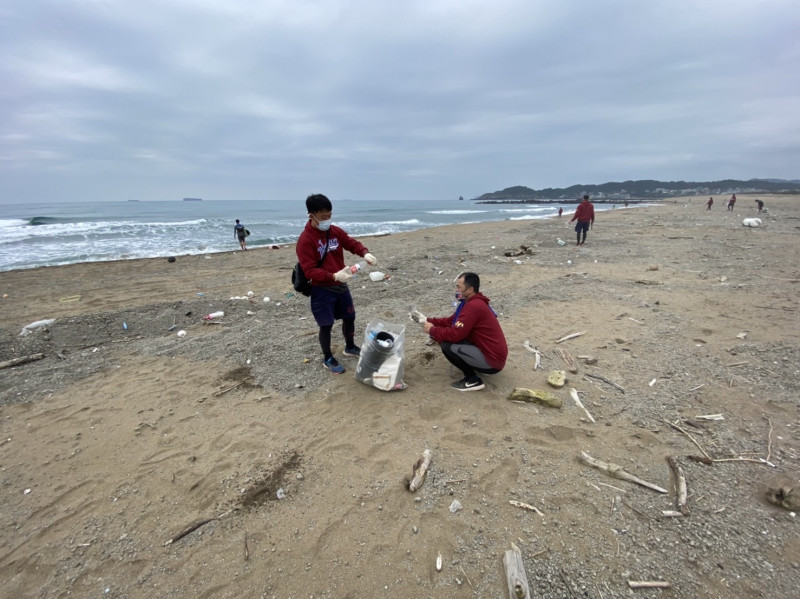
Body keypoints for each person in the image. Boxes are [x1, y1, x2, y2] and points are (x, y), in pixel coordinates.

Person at [296, 194, 377, 374]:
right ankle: (328, 357)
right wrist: (333, 276)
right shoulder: (305, 240)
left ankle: (349, 346)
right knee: (326, 324)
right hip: (321, 289)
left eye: (329, 215)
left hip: (341, 284)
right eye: (323, 217)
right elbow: (309, 270)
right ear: (312, 215)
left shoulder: (334, 231)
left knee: (350, 316)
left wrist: (364, 253)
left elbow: (350, 243)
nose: (327, 220)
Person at [422, 272, 508, 392]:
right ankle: (476, 367)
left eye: (459, 287)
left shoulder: (474, 306)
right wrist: (427, 320)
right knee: (448, 337)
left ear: (470, 290)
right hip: (491, 354)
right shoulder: (468, 303)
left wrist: (432, 330)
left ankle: (472, 380)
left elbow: (455, 334)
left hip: (493, 361)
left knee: (447, 345)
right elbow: (451, 321)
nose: (456, 290)